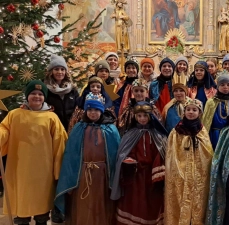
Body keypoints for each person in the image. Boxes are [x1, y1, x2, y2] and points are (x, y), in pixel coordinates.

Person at [0, 80, 67, 225]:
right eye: (33, 94)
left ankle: (41, 220)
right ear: (27, 96)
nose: (37, 97)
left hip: (43, 170)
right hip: (20, 167)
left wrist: (58, 170)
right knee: (22, 202)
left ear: (44, 97)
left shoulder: (51, 117)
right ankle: (22, 220)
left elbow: (60, 143)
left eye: (40, 94)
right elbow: (4, 130)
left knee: (41, 206)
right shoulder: (14, 115)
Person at [55, 92, 120, 225]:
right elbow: (71, 155)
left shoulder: (110, 129)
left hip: (103, 175)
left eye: (96, 109)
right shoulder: (78, 128)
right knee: (83, 203)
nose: (93, 112)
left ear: (101, 111)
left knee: (101, 202)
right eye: (89, 109)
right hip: (82, 173)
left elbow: (115, 155)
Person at [111, 101, 167, 225]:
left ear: (150, 116)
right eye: (139, 116)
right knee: (134, 201)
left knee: (152, 202)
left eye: (145, 116)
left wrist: (157, 168)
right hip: (134, 177)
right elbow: (124, 153)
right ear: (135, 117)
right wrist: (129, 161)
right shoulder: (130, 134)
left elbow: (161, 154)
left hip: (151, 177)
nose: (142, 119)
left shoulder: (158, 135)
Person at [165, 99, 213, 224]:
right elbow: (171, 154)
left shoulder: (202, 131)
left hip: (198, 174)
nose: (191, 112)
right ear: (184, 112)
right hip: (180, 172)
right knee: (180, 197)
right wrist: (178, 169)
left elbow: (207, 153)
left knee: (198, 200)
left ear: (199, 113)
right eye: (188, 110)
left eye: (194, 110)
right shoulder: (176, 131)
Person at [203, 74, 229, 149]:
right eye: (222, 84)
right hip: (215, 135)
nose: (225, 87)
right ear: (218, 86)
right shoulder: (211, 102)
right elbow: (206, 121)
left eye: (228, 84)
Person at [44, 54, 79, 132]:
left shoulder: (72, 89)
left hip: (71, 129)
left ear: (65, 72)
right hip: (53, 129)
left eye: (62, 69)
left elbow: (78, 109)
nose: (60, 72)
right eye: (56, 69)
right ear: (51, 71)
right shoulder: (46, 89)